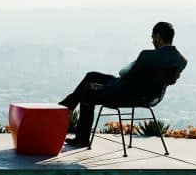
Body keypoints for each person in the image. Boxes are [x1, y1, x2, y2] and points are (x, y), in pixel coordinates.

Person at [59, 21, 188, 146]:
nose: (152, 40)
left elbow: (123, 72)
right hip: (149, 97)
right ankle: (68, 106)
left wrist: (104, 87)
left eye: (153, 37)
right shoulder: (181, 61)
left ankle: (74, 127)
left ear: (158, 37)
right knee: (91, 76)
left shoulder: (147, 56)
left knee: (87, 91)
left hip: (123, 94)